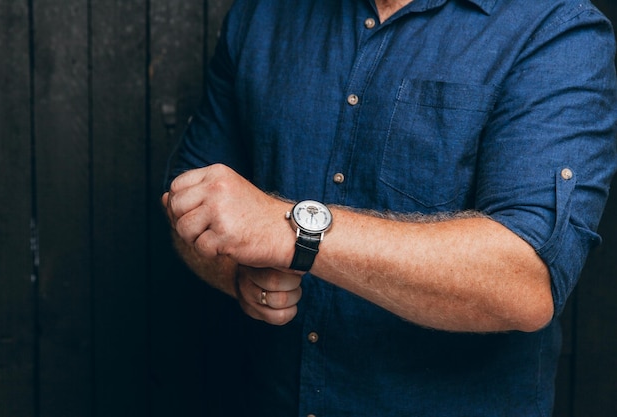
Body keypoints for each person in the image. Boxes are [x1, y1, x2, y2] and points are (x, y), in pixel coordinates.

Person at [162, 0, 617, 415]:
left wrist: (291, 232)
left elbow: (527, 280)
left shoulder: (554, 29)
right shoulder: (263, 14)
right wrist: (238, 275)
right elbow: (193, 203)